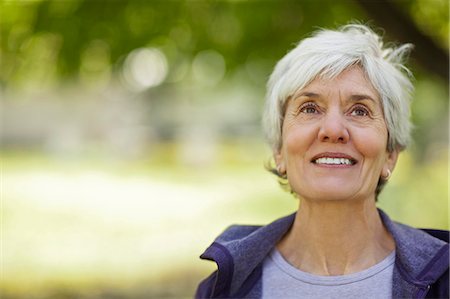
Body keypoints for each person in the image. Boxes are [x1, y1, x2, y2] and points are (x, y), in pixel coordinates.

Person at [195, 24, 449, 299]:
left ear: (390, 154)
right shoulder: (221, 289)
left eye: (360, 110)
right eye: (310, 108)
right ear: (279, 150)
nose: (333, 130)